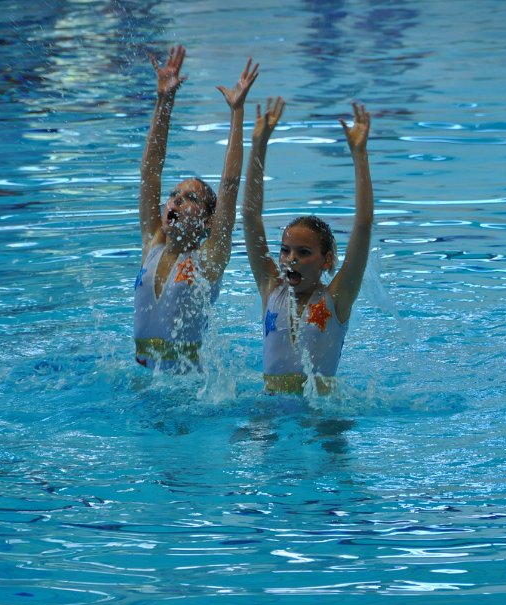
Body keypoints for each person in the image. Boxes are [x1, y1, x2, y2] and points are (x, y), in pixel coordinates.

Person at [134, 46, 258, 370]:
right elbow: (150, 172)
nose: (175, 200)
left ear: (207, 221)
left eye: (189, 198)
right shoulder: (153, 245)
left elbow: (229, 185)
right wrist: (164, 102)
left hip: (188, 390)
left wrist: (237, 112)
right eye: (174, 195)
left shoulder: (209, 260)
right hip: (142, 382)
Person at [241, 98, 374, 394]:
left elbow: (363, 226)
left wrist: (360, 155)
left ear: (326, 260)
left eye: (304, 253)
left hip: (321, 415)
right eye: (285, 250)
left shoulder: (336, 299)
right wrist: (259, 144)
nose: (291, 259)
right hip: (270, 411)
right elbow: (250, 217)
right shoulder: (271, 291)